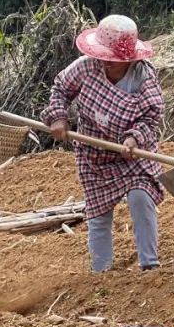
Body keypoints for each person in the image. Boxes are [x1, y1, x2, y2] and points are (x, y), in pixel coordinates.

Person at [42, 15, 166, 271]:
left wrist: (133, 138)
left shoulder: (143, 77)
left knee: (140, 197)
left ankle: (150, 265)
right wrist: (59, 118)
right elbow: (61, 89)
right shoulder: (86, 67)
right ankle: (102, 273)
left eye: (114, 61)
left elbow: (151, 116)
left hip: (132, 153)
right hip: (93, 153)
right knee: (98, 214)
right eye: (104, 58)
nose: (107, 64)